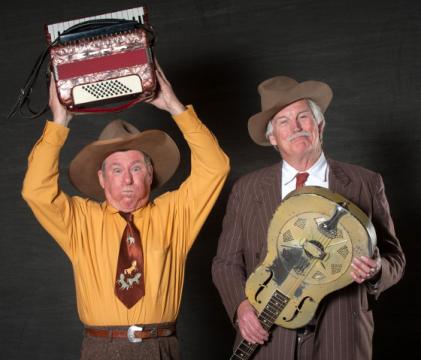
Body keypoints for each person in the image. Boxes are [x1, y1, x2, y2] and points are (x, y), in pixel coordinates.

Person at [22, 64, 230, 360]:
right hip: (100, 348)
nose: (128, 179)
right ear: (102, 178)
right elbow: (35, 191)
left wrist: (174, 107)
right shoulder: (80, 219)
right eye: (116, 170)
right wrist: (59, 122)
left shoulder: (175, 213)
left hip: (161, 347)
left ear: (150, 174)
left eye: (136, 168)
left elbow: (215, 168)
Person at [212, 76, 405, 360]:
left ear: (320, 125)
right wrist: (241, 307)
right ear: (272, 138)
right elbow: (225, 263)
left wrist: (376, 270)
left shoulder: (365, 182)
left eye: (303, 117)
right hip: (269, 337)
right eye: (284, 121)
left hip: (342, 336)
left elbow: (395, 259)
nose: (296, 127)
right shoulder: (247, 189)